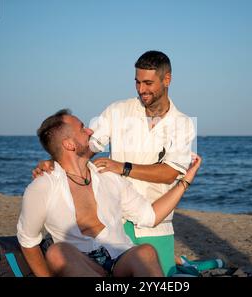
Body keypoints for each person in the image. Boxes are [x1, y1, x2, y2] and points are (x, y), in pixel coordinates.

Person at [33, 51, 196, 276]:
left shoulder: (184, 123)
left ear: (166, 80)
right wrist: (53, 163)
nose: (141, 90)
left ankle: (181, 263)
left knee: (164, 276)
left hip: (156, 223)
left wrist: (122, 167)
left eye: (148, 83)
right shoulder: (118, 110)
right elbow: (85, 147)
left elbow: (170, 173)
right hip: (116, 222)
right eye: (137, 82)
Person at [19, 109, 201, 277]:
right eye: (82, 129)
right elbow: (28, 241)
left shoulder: (108, 176)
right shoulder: (43, 186)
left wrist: (185, 180)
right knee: (57, 253)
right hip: (81, 264)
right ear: (69, 144)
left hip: (119, 258)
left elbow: (150, 216)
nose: (90, 131)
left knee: (146, 251)